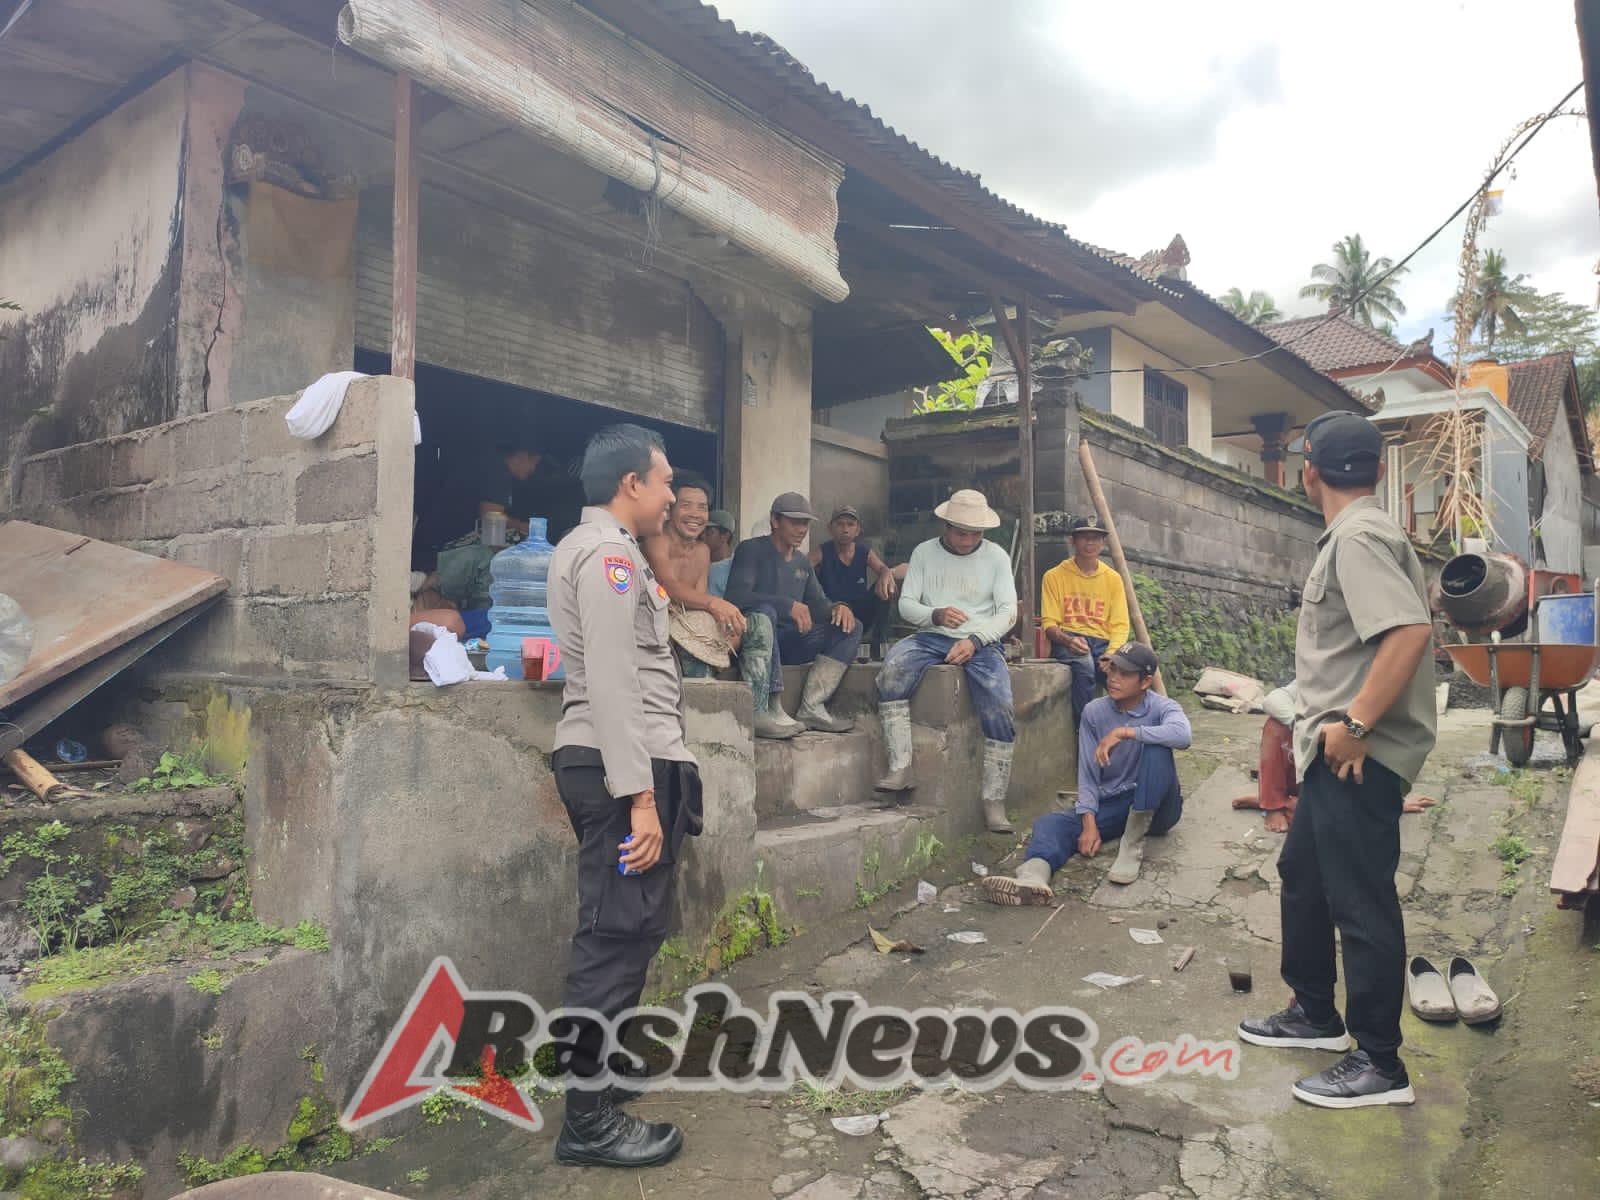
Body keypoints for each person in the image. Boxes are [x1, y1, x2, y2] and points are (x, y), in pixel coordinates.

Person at [1238, 411, 1436, 1111]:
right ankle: (1315, 1013)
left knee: (1359, 900)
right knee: (1304, 875)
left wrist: (1355, 725)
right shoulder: (1356, 534)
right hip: (1333, 750)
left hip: (1358, 752)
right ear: (1379, 471)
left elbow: (1409, 632)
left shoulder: (1359, 536)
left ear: (1308, 470)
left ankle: (1380, 1062)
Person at [546, 423, 701, 1168]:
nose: (673, 495)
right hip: (623, 769)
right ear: (630, 484)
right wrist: (640, 797)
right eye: (666, 480)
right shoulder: (608, 556)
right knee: (612, 938)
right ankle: (586, 1123)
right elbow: (611, 680)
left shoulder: (604, 551)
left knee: (631, 930)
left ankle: (599, 1076)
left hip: (625, 763)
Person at [980, 641, 1189, 902]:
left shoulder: (1162, 707)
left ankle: (1131, 846)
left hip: (1158, 806)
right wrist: (1089, 824)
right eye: (1112, 670)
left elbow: (1183, 735)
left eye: (1124, 674)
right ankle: (1032, 878)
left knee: (1158, 749)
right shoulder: (1094, 711)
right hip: (1116, 803)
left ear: (1145, 682)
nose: (1113, 678)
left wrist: (1125, 732)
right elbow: (1088, 773)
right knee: (1052, 824)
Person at [873, 489, 1019, 832]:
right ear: (946, 526)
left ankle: (993, 800)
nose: (968, 540)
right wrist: (935, 614)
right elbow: (907, 605)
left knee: (1000, 705)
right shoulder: (924, 552)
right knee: (891, 671)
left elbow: (1008, 612)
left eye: (975, 534)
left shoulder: (997, 557)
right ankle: (901, 767)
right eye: (960, 532)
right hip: (932, 636)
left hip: (982, 641)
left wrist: (976, 639)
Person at [725, 493, 862, 739]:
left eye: (805, 523)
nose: (801, 529)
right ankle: (767, 705)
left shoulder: (801, 561)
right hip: (757, 643)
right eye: (795, 522)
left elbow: (818, 604)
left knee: (851, 626)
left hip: (790, 641)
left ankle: (812, 706)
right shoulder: (751, 550)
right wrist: (786, 605)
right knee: (765, 613)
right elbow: (736, 597)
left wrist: (838, 608)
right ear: (775, 521)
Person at [1230, 682, 1435, 833]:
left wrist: (1393, 802)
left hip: (1344, 773)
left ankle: (1273, 802)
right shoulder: (1325, 676)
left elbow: (1393, 747)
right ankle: (1273, 804)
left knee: (1347, 824)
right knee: (1276, 726)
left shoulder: (1387, 684)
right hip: (1307, 766)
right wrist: (1316, 732)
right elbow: (1273, 700)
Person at [642, 476, 749, 680]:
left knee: (754, 626)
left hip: (683, 625)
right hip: (651, 626)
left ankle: (760, 708)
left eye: (702, 507)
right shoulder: (655, 540)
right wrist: (715, 603)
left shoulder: (703, 551)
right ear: (670, 511)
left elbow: (696, 604)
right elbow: (668, 587)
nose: (695, 514)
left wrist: (725, 627)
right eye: (686, 505)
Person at [1040, 516, 1131, 724]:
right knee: (1085, 667)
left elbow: (1120, 624)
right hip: (1068, 638)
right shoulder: (1054, 576)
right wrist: (1069, 640)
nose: (1089, 543)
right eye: (1084, 538)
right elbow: (1049, 624)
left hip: (1103, 641)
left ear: (1103, 543)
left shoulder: (1113, 579)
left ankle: (1133, 728)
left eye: (1095, 538)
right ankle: (1084, 727)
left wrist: (1111, 653)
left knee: (1126, 674)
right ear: (1073, 541)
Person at [810, 505, 907, 657]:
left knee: (884, 585)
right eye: (840, 524)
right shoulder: (822, 551)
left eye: (850, 525)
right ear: (830, 528)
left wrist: (887, 573)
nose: (845, 529)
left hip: (861, 613)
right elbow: (801, 569)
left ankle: (879, 643)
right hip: (834, 616)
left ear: (857, 530)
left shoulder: (863, 552)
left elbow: (882, 568)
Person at [475, 439, 579, 542]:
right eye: (534, 463)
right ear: (521, 457)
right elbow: (490, 515)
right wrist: (523, 526)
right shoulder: (498, 473)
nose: (533, 469)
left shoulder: (507, 477)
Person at [704, 509, 737, 599]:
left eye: (709, 533)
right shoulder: (700, 564)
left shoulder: (735, 565)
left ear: (725, 536)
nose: (702, 537)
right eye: (701, 533)